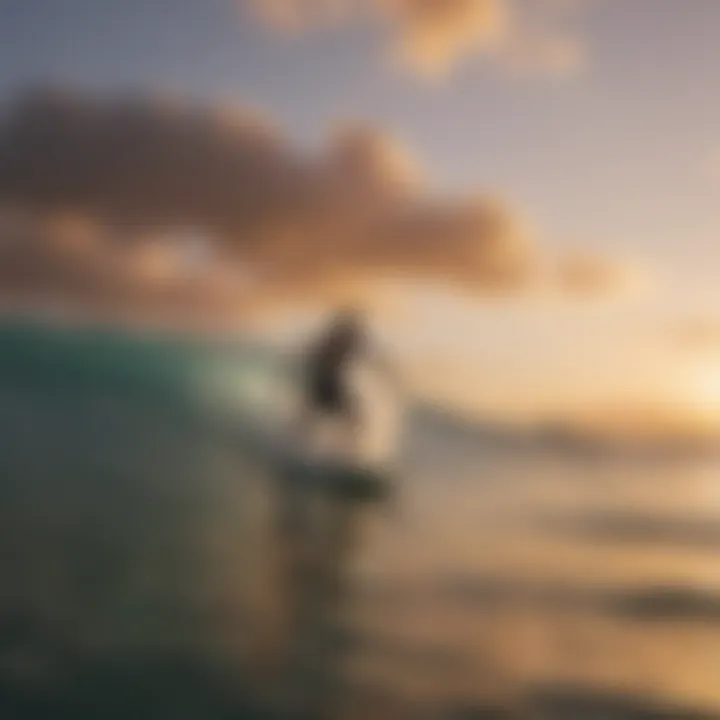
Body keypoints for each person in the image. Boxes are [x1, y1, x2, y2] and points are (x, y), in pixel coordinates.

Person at [295, 308, 400, 459]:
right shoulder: (335, 340)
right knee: (321, 411)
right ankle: (303, 442)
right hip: (326, 379)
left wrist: (386, 371)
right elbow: (314, 356)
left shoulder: (344, 339)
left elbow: (371, 354)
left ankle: (350, 450)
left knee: (341, 414)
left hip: (331, 381)